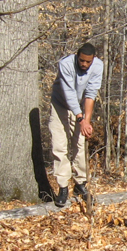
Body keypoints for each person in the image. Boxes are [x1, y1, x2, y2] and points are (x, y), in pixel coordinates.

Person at [49, 43, 103, 207]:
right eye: (82, 61)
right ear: (77, 56)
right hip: (60, 105)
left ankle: (81, 184)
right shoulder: (66, 64)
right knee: (59, 146)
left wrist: (86, 120)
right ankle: (63, 187)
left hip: (79, 109)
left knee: (80, 144)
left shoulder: (98, 66)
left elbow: (91, 94)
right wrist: (81, 119)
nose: (84, 64)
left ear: (93, 60)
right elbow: (69, 93)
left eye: (88, 62)